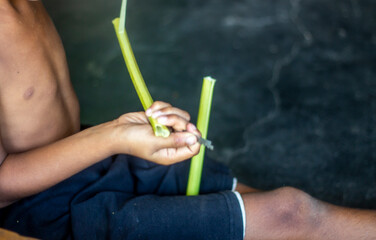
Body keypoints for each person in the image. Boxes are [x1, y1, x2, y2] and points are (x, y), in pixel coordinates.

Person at [0, 0, 375, 239]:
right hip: (48, 209)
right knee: (291, 213)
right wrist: (114, 135)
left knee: (264, 206)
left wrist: (117, 137)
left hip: (90, 158)